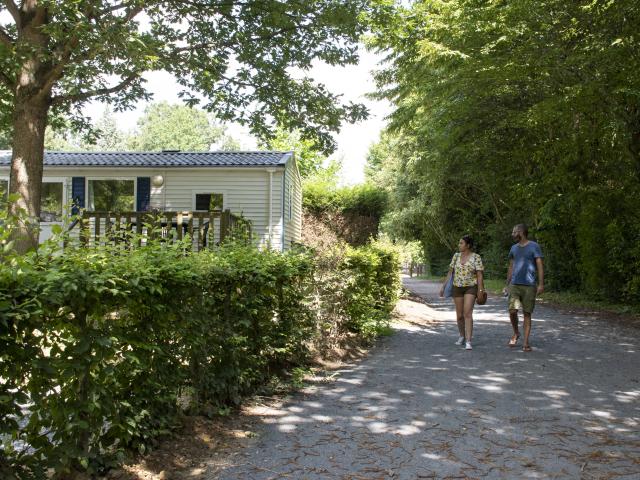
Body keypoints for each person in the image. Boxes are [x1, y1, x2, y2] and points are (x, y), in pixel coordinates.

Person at [439, 235, 485, 350]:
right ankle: (462, 336)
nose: (459, 245)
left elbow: (479, 275)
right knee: (459, 316)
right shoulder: (456, 256)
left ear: (468, 245)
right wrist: (443, 287)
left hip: (471, 287)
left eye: (461, 243)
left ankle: (469, 340)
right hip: (457, 287)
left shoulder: (476, 257)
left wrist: (480, 290)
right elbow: (450, 273)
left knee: (467, 313)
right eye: (459, 243)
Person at [505, 224, 544, 352]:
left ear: (521, 232)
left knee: (527, 313)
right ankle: (516, 333)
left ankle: (526, 342)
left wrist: (541, 284)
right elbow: (511, 266)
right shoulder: (513, 248)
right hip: (515, 284)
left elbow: (539, 265)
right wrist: (507, 284)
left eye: (514, 232)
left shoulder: (534, 246)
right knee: (512, 311)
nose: (512, 234)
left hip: (530, 286)